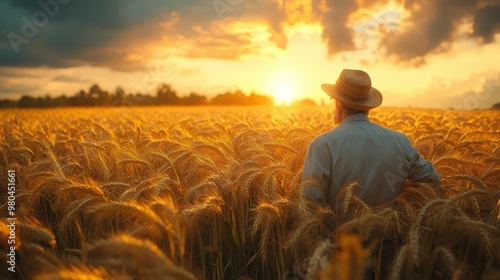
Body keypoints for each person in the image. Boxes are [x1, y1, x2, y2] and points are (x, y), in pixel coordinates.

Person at [301, 69, 441, 208]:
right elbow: (433, 179)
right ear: (367, 106)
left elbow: (311, 203)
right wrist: (403, 185)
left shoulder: (321, 145)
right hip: (389, 228)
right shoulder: (400, 141)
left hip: (337, 230)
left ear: (337, 104)